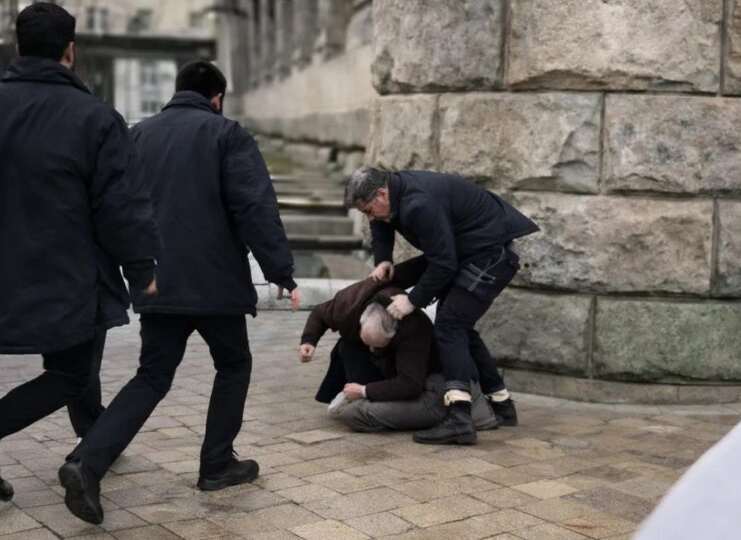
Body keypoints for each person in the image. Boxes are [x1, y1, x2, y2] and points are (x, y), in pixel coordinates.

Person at [58, 60, 301, 525]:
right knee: (233, 363)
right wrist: (280, 271)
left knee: (152, 375)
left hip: (154, 279)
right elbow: (254, 206)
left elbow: (111, 205)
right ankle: (216, 464)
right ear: (217, 98)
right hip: (214, 283)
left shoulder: (138, 136)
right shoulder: (227, 134)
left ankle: (85, 463)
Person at [0, 3, 159, 503]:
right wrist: (141, 270)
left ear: (19, 47)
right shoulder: (96, 118)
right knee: (70, 374)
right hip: (65, 275)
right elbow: (121, 207)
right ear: (70, 51)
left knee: (75, 373)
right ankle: (89, 449)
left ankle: (91, 443)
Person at [344, 167, 539, 445]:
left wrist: (413, 300)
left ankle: (460, 418)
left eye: (368, 210)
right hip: (473, 253)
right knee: (460, 328)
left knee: (450, 327)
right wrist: (383, 258)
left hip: (491, 256)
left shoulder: (418, 204)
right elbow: (381, 223)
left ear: (382, 194)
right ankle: (502, 405)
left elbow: (443, 264)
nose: (370, 217)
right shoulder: (394, 192)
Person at [300, 257, 497, 433]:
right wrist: (309, 340)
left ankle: (461, 413)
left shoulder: (413, 328)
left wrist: (364, 391)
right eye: (368, 342)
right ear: (361, 320)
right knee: (347, 346)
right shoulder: (351, 303)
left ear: (394, 334)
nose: (372, 350)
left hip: (434, 385)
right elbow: (319, 313)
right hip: (411, 376)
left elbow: (410, 385)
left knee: (353, 413)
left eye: (378, 346)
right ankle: (388, 403)